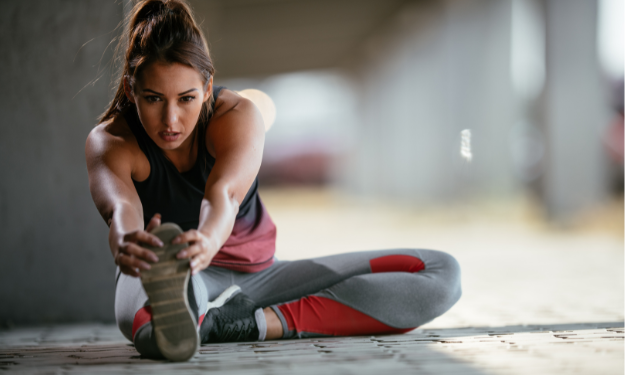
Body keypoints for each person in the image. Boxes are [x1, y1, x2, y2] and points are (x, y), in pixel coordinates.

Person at [86, 0, 462, 362]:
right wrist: (126, 242)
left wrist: (208, 240)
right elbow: (122, 208)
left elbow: (225, 195)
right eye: (153, 99)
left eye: (186, 98)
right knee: (159, 331)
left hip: (264, 276)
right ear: (132, 89)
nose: (171, 119)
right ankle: (191, 313)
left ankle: (247, 324)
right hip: (180, 273)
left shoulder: (235, 115)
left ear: (207, 86)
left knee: (441, 274)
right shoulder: (112, 142)